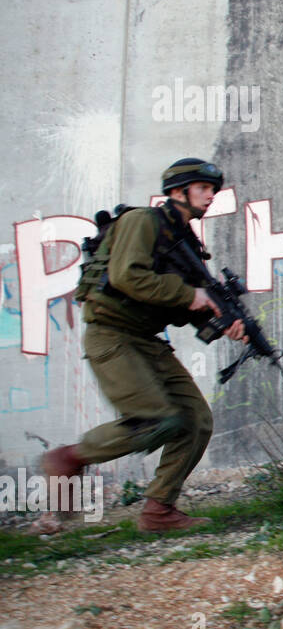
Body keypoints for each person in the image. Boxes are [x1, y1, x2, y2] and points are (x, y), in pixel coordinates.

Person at [39, 158, 249, 533]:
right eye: (203, 188)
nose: (210, 196)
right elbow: (126, 276)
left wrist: (223, 323)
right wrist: (191, 295)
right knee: (158, 421)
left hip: (145, 339)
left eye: (213, 190)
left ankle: (158, 511)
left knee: (196, 421)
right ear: (177, 191)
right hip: (112, 333)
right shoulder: (142, 222)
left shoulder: (187, 244)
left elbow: (183, 307)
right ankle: (69, 457)